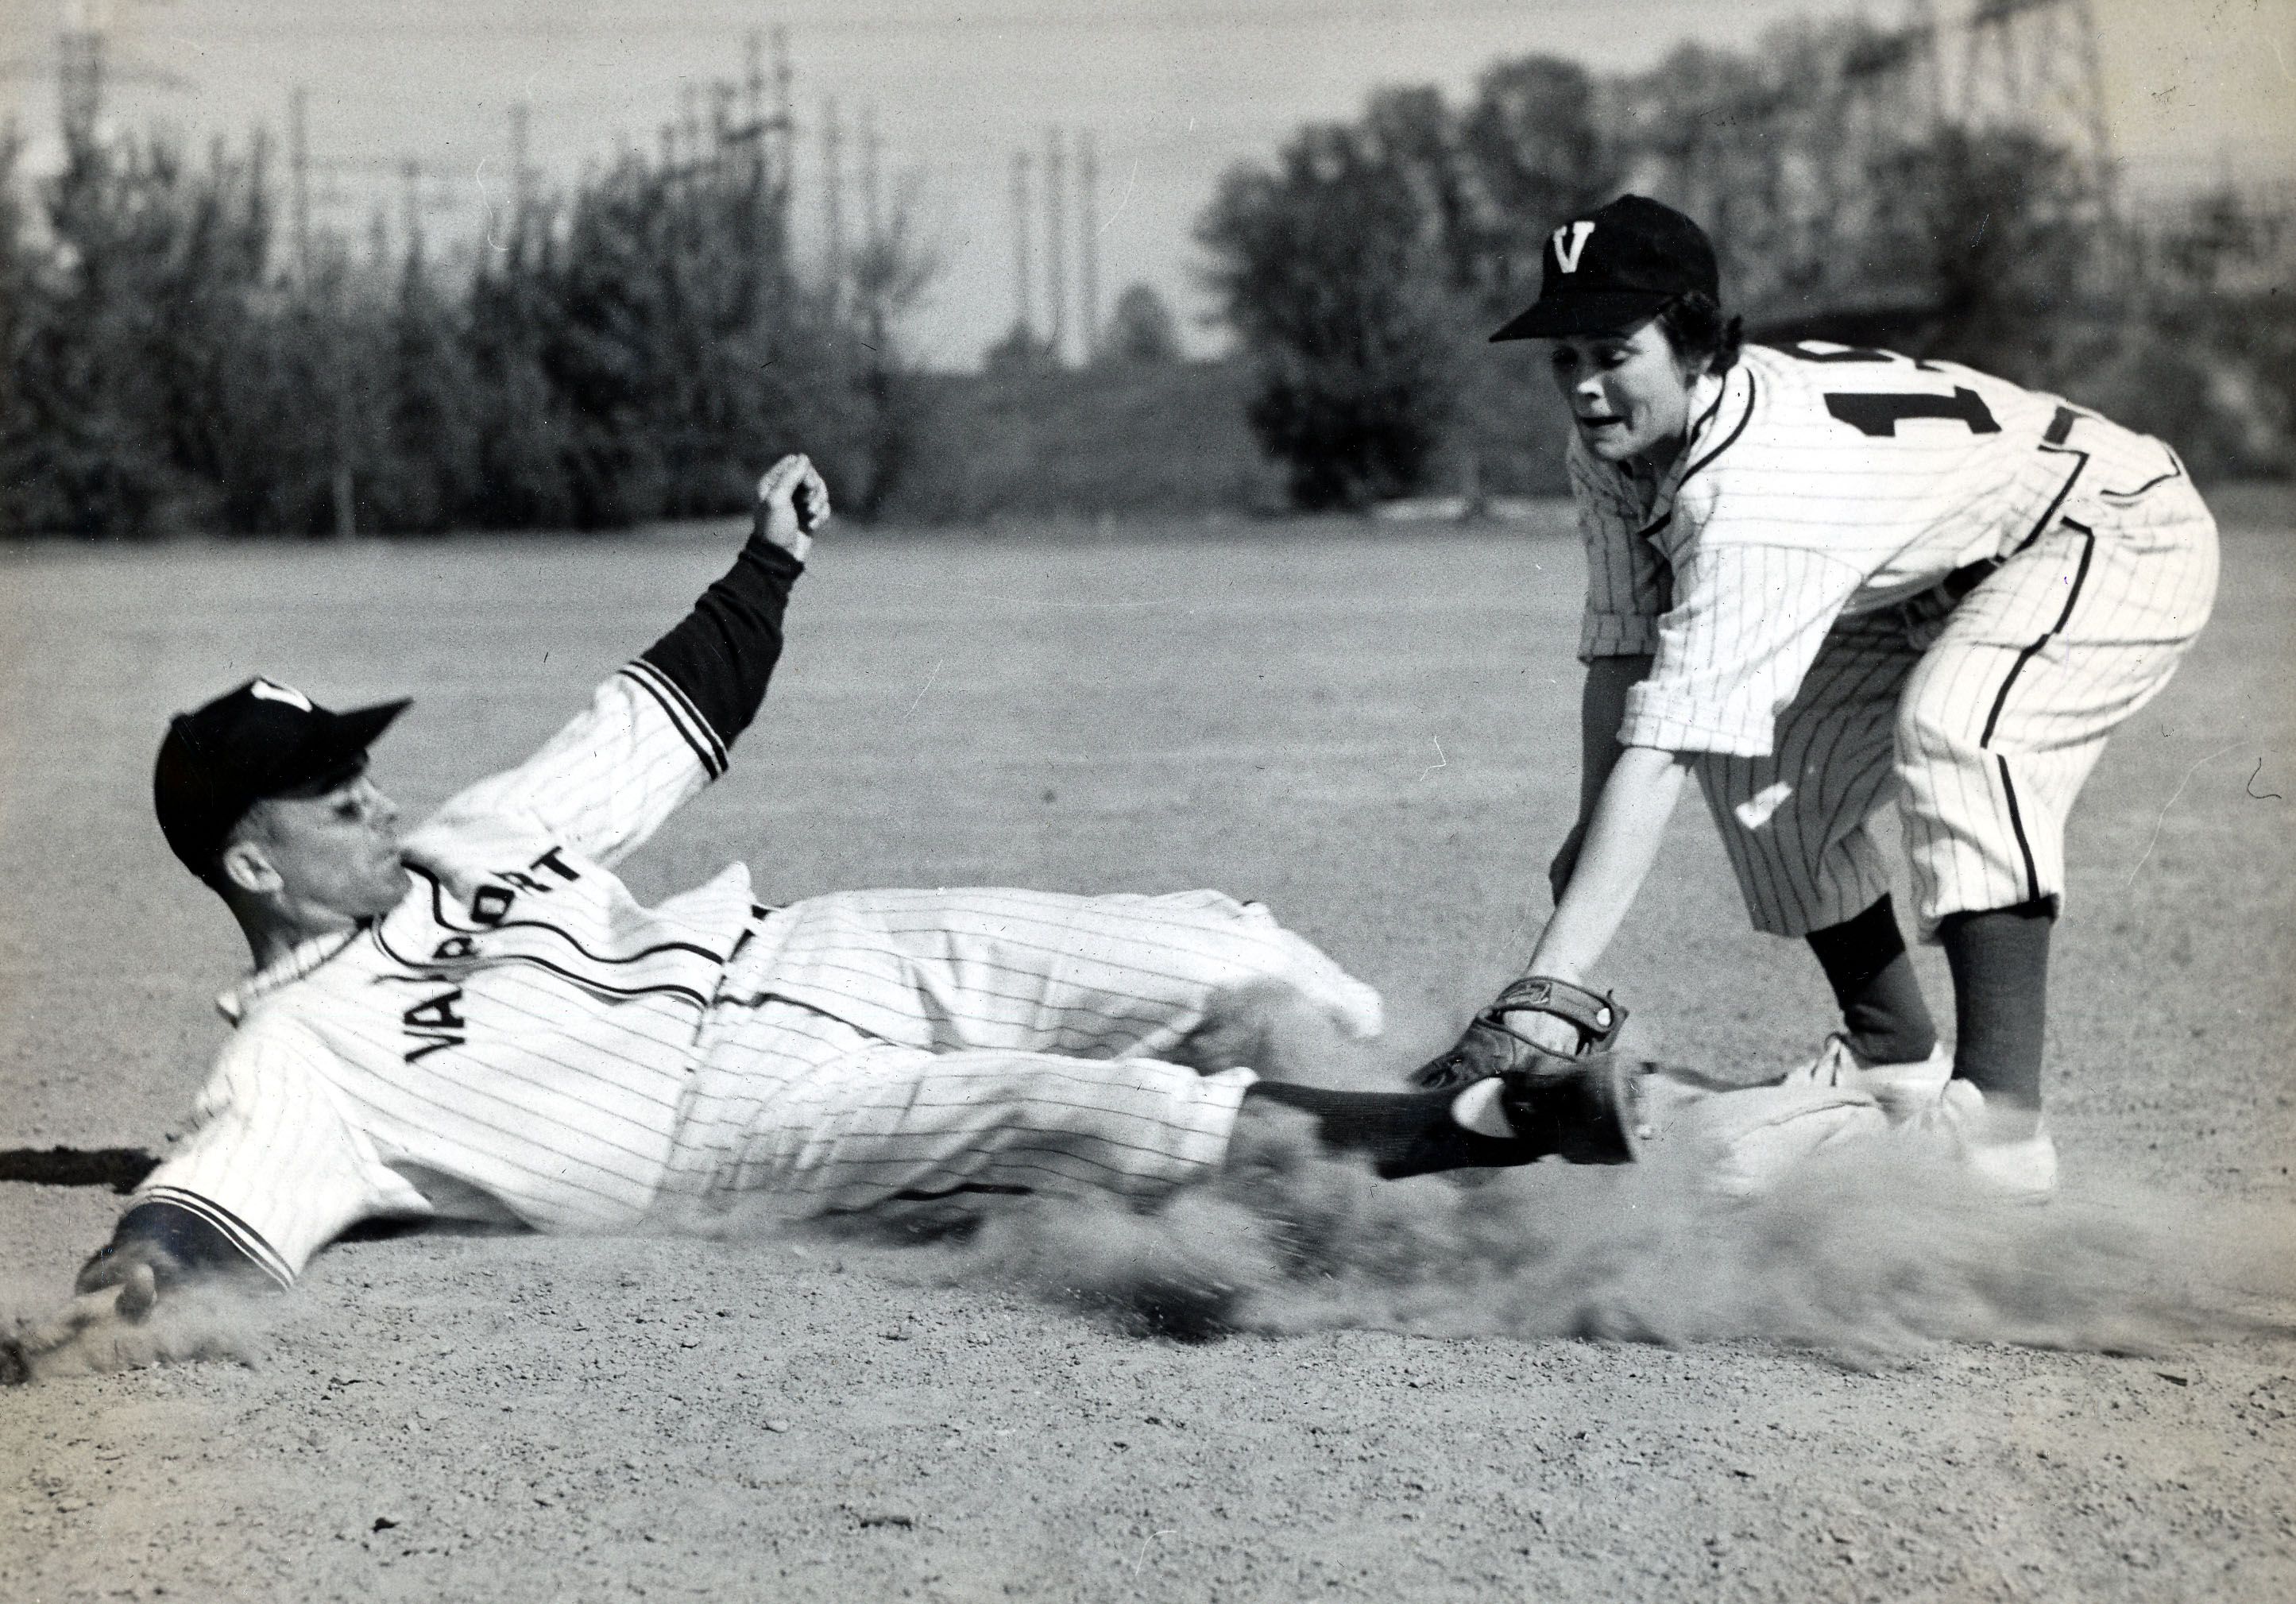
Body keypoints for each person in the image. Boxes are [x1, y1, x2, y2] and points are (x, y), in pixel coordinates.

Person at [5, 454, 1638, 1383]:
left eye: (357, 759)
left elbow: (655, 719)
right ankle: (1469, 1135)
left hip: (803, 948)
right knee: (1072, 1111)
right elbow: (195, 1213)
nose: (368, 791)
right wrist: (101, 1305)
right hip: (737, 1123)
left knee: (1205, 939)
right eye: (323, 786)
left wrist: (761, 562)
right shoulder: (303, 1055)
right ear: (250, 865)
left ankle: (1426, 1067)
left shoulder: (460, 839)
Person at [1412, 195, 2218, 1200]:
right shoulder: (1617, 445)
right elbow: (1625, 642)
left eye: (1613, 353)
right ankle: (1890, 1061)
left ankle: (2002, 1136)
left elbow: (1662, 741)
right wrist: (1584, 828)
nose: (1584, 388)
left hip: (2108, 530)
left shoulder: (1755, 495)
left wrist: (1551, 984)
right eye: (1564, 358)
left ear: (1696, 344)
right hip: (1924, 575)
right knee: (1757, 762)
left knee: (1959, 728)